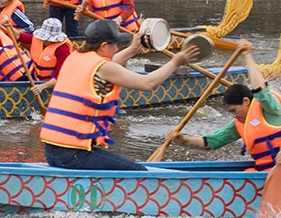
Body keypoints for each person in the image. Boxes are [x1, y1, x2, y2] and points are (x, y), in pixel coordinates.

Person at [38, 19, 197, 170]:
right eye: (115, 45)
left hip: (52, 151)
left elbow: (109, 63)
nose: (116, 49)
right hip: (74, 155)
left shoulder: (75, 57)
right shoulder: (104, 68)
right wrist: (175, 62)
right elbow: (146, 83)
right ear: (104, 46)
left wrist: (132, 49)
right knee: (139, 172)